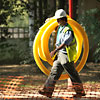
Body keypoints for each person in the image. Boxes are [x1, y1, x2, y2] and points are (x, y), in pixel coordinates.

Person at [39, 9, 85, 98]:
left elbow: (65, 43)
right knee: (54, 72)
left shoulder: (68, 30)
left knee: (72, 74)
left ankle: (80, 91)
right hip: (60, 55)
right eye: (57, 20)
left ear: (63, 19)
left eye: (58, 20)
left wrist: (54, 51)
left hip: (66, 55)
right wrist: (48, 22)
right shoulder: (60, 27)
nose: (57, 21)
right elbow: (52, 26)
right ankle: (47, 91)